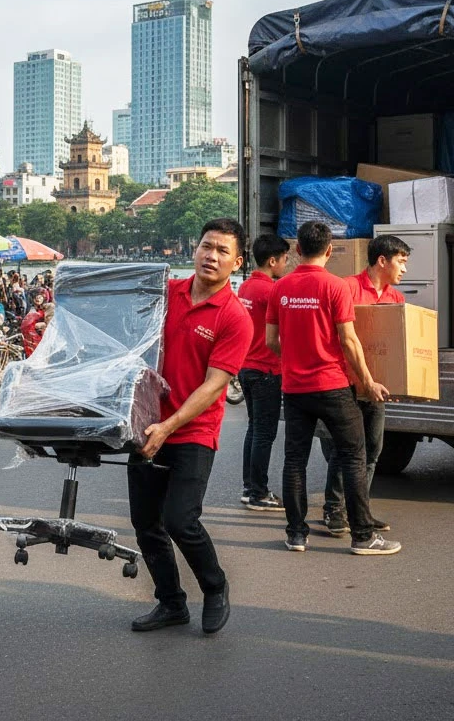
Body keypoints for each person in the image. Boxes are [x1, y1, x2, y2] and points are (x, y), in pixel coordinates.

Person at [127, 218, 253, 636]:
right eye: (206, 246)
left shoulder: (235, 317)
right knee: (146, 523)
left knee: (180, 519)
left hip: (193, 430)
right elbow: (123, 322)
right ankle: (171, 602)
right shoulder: (167, 292)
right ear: (195, 249)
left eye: (222, 251)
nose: (211, 256)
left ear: (237, 262)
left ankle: (215, 587)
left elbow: (215, 384)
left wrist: (169, 426)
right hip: (146, 423)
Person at [265, 221, 401, 556]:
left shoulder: (280, 288)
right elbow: (349, 341)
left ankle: (296, 535)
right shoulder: (335, 286)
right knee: (354, 456)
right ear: (329, 250)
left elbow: (271, 341)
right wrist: (367, 382)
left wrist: (295, 360)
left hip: (294, 389)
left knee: (294, 460)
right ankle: (363, 536)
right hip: (333, 385)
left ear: (297, 249)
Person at [320, 234, 411, 536]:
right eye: (401, 262)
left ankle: (359, 510)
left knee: (372, 449)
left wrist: (396, 383)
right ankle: (334, 509)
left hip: (377, 388)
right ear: (382, 260)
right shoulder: (347, 288)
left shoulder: (396, 299)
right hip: (346, 383)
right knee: (346, 448)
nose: (404, 269)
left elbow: (395, 350)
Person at [236, 233, 290, 511]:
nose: (286, 263)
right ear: (272, 261)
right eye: (284, 259)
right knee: (264, 434)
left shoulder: (245, 287)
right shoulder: (272, 291)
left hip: (246, 367)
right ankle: (258, 492)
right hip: (266, 368)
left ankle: (249, 487)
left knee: (254, 429)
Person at [20, 287, 52, 356]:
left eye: (40, 297)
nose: (37, 299)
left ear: (44, 298)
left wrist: (36, 325)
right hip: (31, 337)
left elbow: (50, 324)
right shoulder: (33, 309)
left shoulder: (49, 306)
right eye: (35, 297)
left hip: (43, 337)